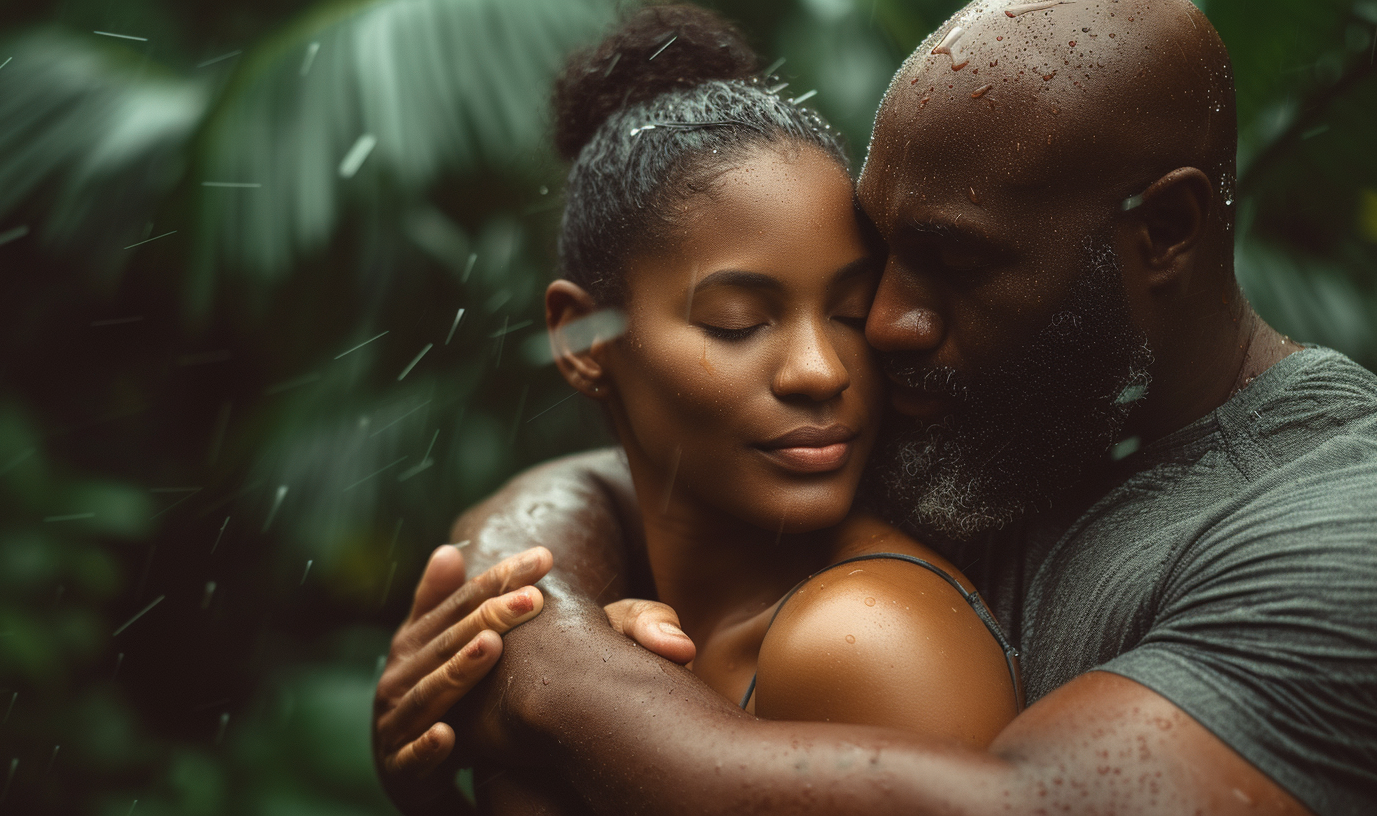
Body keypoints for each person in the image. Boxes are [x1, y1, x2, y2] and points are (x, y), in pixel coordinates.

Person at [375, 1, 1377, 814]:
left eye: (953, 262)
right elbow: (622, 471)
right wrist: (519, 603)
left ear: (1162, 229)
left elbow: (1027, 805)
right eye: (881, 265)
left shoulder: (1339, 527)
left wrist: (553, 681)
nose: (883, 325)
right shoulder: (999, 408)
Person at [384, 7, 1024, 812]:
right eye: (738, 323)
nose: (820, 371)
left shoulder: (864, 637)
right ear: (582, 337)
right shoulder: (642, 617)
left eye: (852, 312)